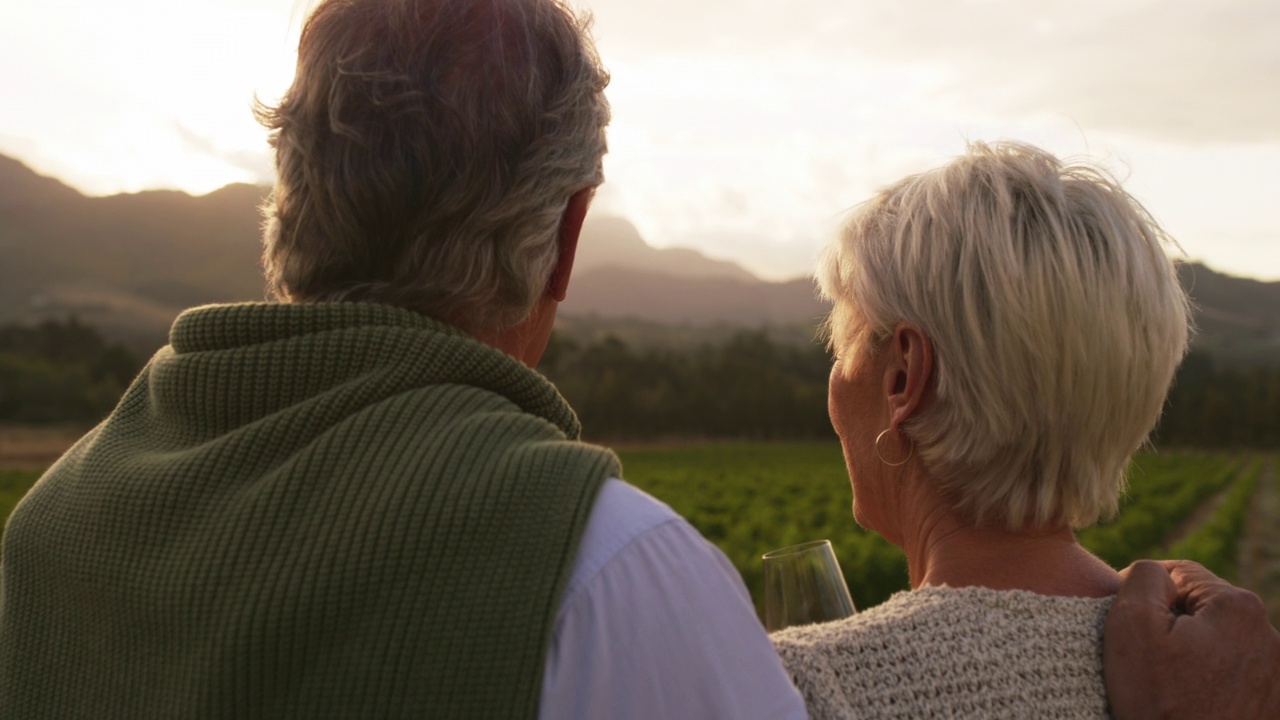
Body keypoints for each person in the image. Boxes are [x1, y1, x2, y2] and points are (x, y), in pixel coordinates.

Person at [0, 0, 1273, 717]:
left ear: (901, 379)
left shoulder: (42, 535)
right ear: (563, 241)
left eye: (838, 343)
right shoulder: (621, 576)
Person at [771, 141, 1280, 718]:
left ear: (903, 377)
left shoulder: (796, 686)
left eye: (841, 348)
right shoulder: (1230, 677)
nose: (835, 381)